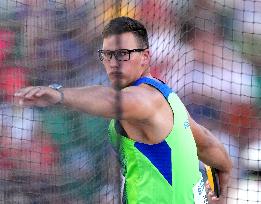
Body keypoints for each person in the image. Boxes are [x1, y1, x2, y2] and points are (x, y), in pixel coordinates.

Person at [14, 16, 232, 204]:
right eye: (107, 55)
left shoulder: (144, 99)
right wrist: (220, 189)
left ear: (145, 57)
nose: (113, 63)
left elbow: (110, 99)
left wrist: (59, 94)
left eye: (123, 54)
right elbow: (211, 148)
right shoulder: (168, 99)